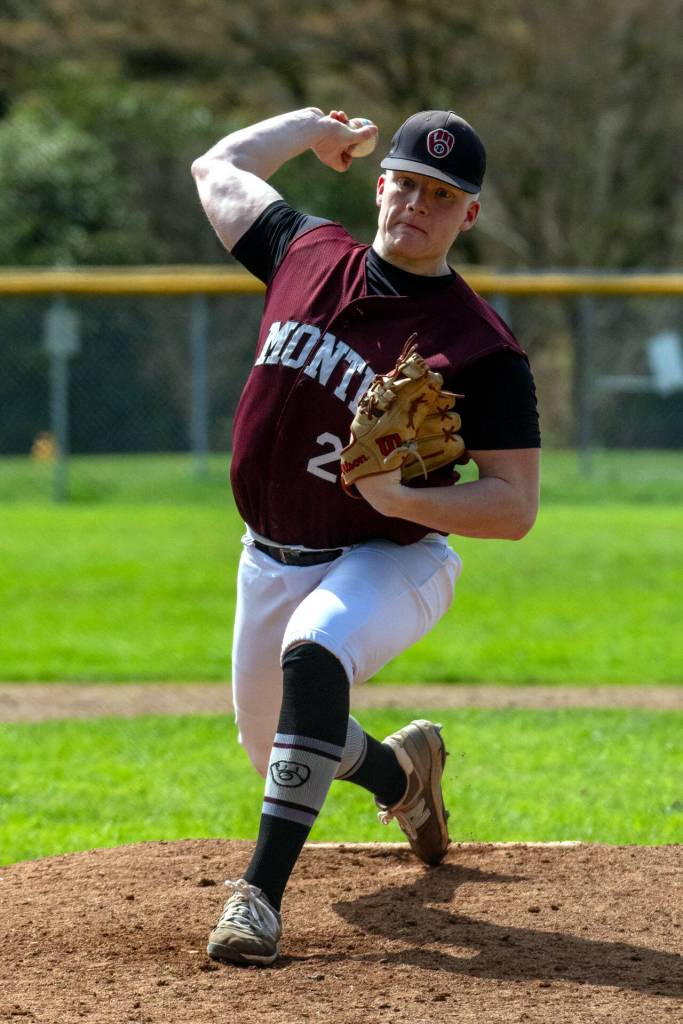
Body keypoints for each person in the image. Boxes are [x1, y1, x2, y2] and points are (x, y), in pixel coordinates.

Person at [191, 107, 540, 966]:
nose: (417, 203)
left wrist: (399, 499)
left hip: (391, 557)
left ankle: (257, 900)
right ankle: (401, 774)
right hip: (267, 555)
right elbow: (217, 166)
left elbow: (514, 505)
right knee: (272, 746)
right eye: (407, 183)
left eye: (442, 194)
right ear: (379, 184)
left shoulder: (480, 347)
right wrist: (308, 125)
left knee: (315, 655)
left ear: (470, 216)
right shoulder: (307, 253)